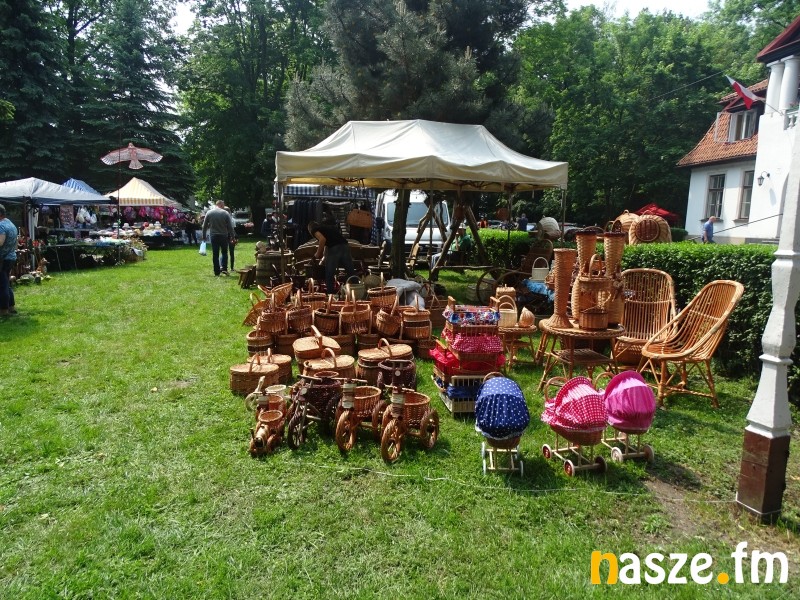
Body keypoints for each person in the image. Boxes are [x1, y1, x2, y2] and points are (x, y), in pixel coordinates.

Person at [308, 220, 354, 294]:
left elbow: (322, 239)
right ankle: (357, 291)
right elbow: (327, 242)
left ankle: (330, 295)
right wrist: (323, 254)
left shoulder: (314, 229)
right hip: (345, 246)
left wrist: (316, 255)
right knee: (350, 271)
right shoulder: (325, 228)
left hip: (335, 247)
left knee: (329, 273)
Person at [202, 200, 236, 276]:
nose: (224, 206)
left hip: (214, 236)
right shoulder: (225, 213)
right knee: (224, 253)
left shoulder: (209, 213)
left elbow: (204, 226)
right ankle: (224, 269)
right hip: (223, 235)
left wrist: (204, 236)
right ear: (220, 205)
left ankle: (216, 272)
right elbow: (230, 227)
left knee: (215, 254)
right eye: (223, 205)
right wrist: (233, 237)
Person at [0, 203, 18, 316]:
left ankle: (3, 310)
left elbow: (0, 242)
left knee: (2, 285)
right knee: (6, 282)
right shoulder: (11, 224)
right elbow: (16, 244)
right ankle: (11, 306)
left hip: (2, 259)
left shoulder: (1, 225)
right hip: (11, 257)